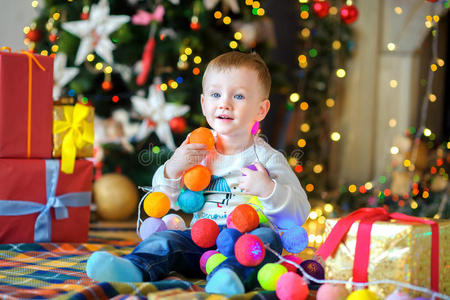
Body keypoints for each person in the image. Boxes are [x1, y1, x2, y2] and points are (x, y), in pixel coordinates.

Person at [86, 51, 310, 296]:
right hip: (201, 240)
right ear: (204, 104)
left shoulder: (267, 159)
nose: (225, 103)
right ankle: (135, 268)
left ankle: (229, 277)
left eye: (239, 96)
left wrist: (269, 189)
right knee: (169, 240)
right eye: (216, 94)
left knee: (267, 240)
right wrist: (173, 167)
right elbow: (165, 199)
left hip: (244, 242)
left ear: (261, 109)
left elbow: (299, 212)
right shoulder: (197, 149)